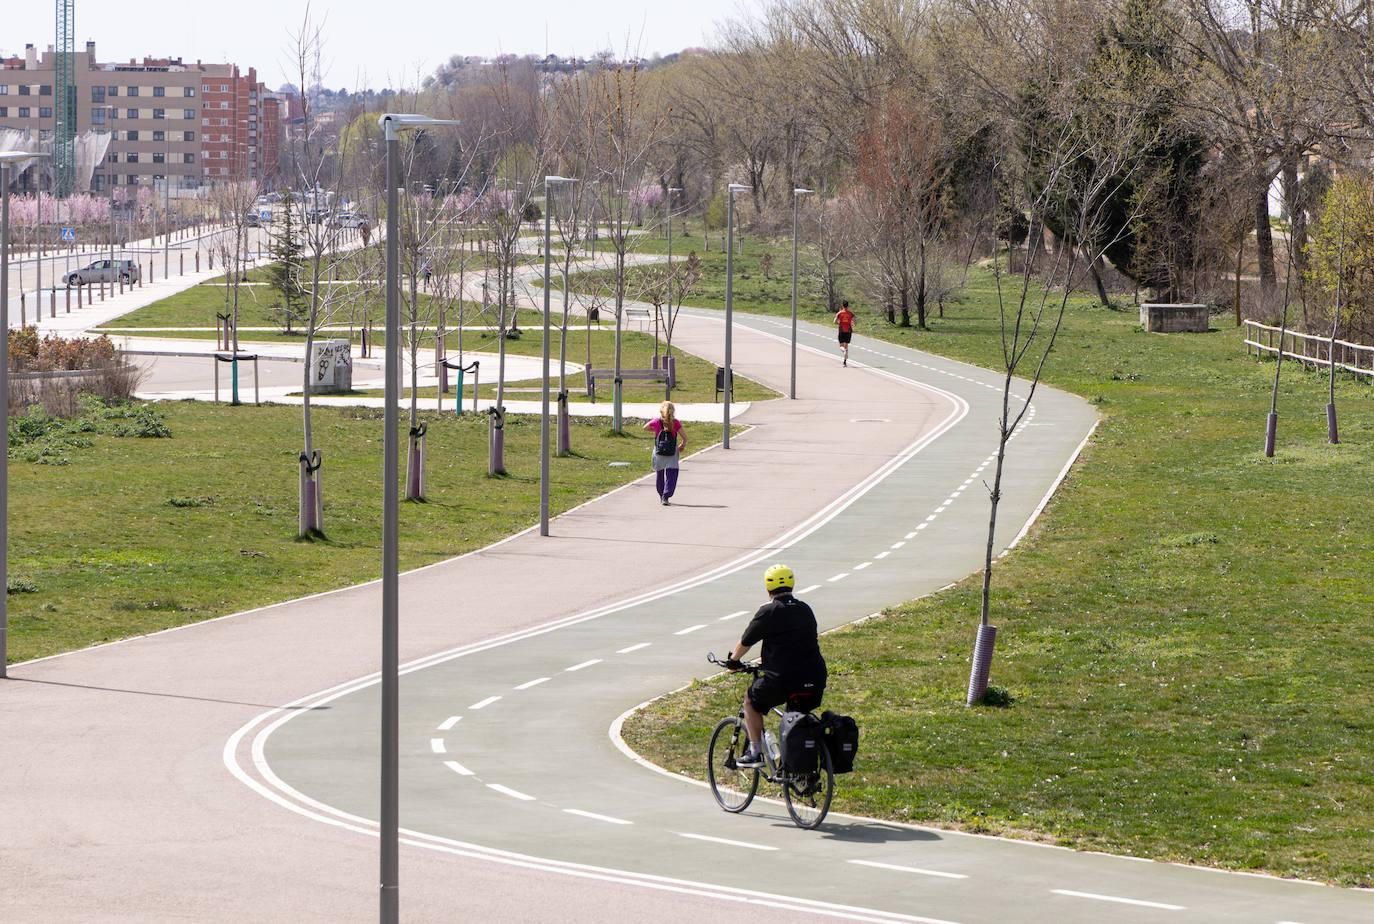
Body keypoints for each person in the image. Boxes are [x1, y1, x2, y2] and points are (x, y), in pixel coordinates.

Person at [726, 564, 827, 768]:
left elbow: (746, 641)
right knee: (796, 719)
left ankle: (755, 753)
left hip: (783, 679)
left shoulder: (768, 611)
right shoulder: (805, 609)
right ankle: (798, 768)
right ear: (792, 584)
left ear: (768, 588)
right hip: (815, 678)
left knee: (750, 701)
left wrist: (733, 661)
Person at [643, 400, 686, 505]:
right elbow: (685, 437)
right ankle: (666, 496)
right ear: (673, 411)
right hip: (672, 452)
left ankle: (661, 494)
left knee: (660, 474)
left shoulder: (657, 422)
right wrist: (682, 446)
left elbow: (645, 427)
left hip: (659, 452)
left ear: (661, 411)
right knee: (672, 474)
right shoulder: (675, 423)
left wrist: (656, 431)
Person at [834, 301, 855, 366]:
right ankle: (844, 362)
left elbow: (834, 322)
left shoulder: (839, 313)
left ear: (842, 306)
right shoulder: (851, 313)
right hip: (848, 331)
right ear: (848, 306)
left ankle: (844, 351)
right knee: (846, 345)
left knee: (841, 346)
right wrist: (851, 324)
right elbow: (854, 322)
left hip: (841, 330)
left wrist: (839, 322)